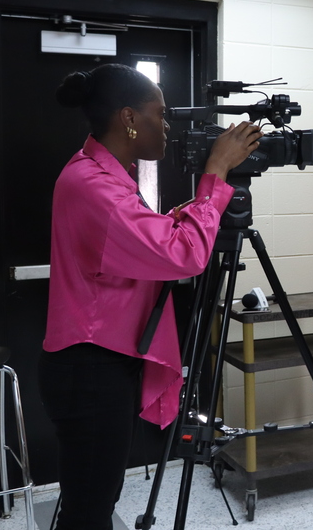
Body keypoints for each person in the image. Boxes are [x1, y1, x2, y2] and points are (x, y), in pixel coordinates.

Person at [38, 63, 262, 530]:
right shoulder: (92, 185)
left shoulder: (106, 174)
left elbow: (144, 239)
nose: (167, 126)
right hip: (90, 367)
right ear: (128, 119)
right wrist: (217, 171)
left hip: (98, 362)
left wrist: (183, 211)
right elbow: (183, 255)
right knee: (89, 509)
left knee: (91, 500)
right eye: (159, 115)